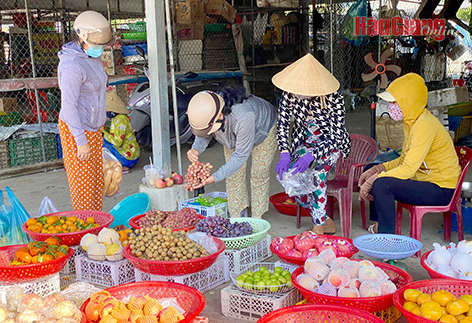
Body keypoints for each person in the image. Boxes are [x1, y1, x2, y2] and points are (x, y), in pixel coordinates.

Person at [359, 73, 461, 234]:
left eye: (394, 102)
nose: (391, 106)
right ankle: (380, 223)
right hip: (424, 180)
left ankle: (386, 238)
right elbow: (403, 160)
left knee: (382, 184)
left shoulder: (424, 126)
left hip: (441, 189)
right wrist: (377, 170)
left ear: (408, 102)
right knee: (373, 168)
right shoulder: (412, 121)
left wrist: (373, 180)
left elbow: (408, 169)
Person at [272, 53, 351, 235]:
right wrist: (284, 153)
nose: (299, 93)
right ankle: (324, 220)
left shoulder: (334, 99)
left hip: (330, 143)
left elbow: (337, 135)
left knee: (317, 176)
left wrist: (312, 156)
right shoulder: (290, 95)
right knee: (290, 177)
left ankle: (317, 229)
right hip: (304, 140)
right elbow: (283, 125)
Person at [186, 86, 277, 218]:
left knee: (259, 173)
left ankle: (257, 217)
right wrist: (195, 149)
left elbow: (240, 156)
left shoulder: (243, 116)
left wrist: (214, 177)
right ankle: (237, 215)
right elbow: (204, 134)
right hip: (233, 134)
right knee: (233, 175)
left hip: (263, 129)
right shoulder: (209, 111)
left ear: (220, 116)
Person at [57, 11, 112, 210]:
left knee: (97, 184)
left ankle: (97, 228)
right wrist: (81, 141)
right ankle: (85, 233)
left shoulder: (91, 56)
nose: (100, 49)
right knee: (84, 188)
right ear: (81, 37)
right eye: (97, 44)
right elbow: (69, 106)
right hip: (76, 131)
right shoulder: (71, 65)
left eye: (102, 45)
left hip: (94, 129)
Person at [102, 91, 140, 172]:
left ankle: (120, 166)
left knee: (102, 144)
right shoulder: (116, 118)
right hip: (130, 155)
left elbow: (117, 142)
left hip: (128, 158)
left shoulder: (120, 119)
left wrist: (103, 133)